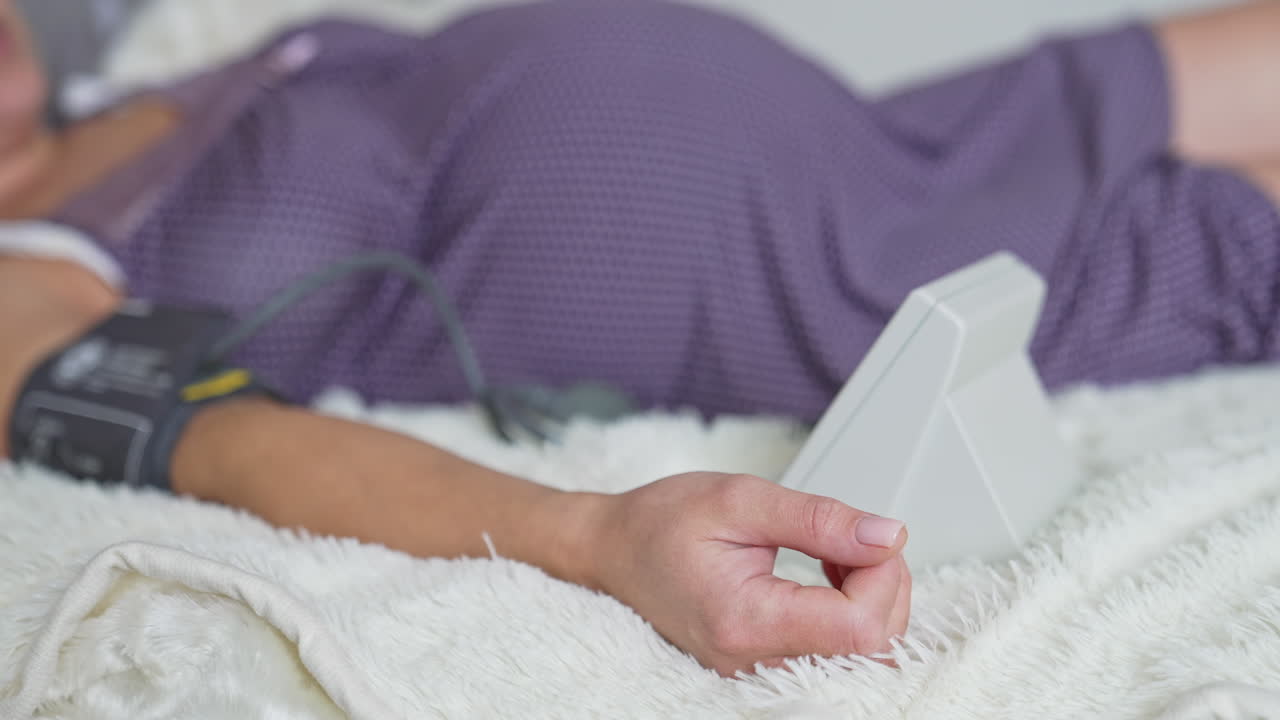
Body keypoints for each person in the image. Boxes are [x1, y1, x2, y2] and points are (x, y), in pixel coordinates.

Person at [1, 0, 1278, 677]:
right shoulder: (20, 281)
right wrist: (595, 536)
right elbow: (225, 447)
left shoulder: (140, 84)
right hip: (834, 277)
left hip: (878, 138)